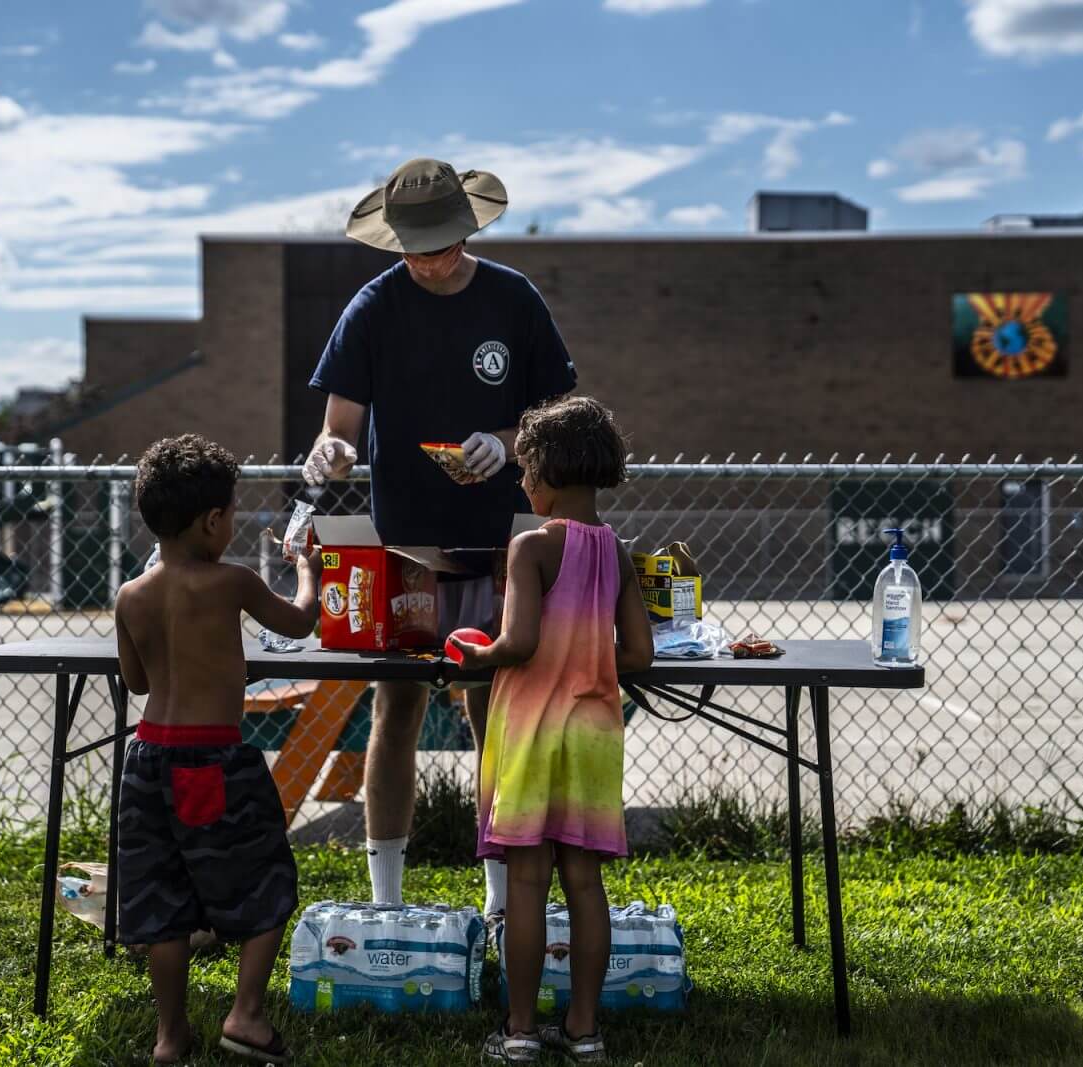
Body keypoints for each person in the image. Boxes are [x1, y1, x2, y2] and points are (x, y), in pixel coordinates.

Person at [303, 157, 577, 919]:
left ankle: (500, 902)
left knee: (493, 708)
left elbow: (557, 419)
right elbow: (340, 430)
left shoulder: (514, 299)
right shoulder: (373, 306)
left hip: (501, 545)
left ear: (468, 229)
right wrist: (331, 452)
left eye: (444, 243)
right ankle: (385, 898)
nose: (429, 259)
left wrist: (504, 437)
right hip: (403, 548)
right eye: (415, 247)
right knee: (395, 714)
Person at [449, 397, 654, 1064]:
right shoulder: (618, 551)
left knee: (529, 883)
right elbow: (640, 654)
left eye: (526, 468)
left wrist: (477, 656)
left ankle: (519, 1031)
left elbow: (519, 641)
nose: (521, 481)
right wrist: (592, 659)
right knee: (586, 883)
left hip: (533, 728)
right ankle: (585, 1028)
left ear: (552, 474)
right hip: (594, 729)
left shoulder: (532, 545)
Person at [114, 433, 319, 1066]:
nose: (231, 523)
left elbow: (138, 681)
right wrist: (306, 566)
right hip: (214, 762)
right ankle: (246, 1016)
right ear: (211, 521)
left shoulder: (130, 595)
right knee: (268, 880)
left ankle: (170, 1038)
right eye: (230, 513)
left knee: (163, 902)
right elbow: (301, 621)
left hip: (148, 761)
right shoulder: (232, 582)